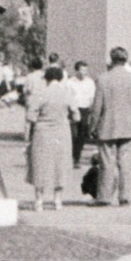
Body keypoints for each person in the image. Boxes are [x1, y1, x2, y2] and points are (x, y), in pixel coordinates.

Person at [90, 46, 131, 206]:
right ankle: (125, 196)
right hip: (130, 126)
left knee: (107, 163)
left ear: (111, 60)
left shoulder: (103, 79)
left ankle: (104, 197)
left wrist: (93, 126)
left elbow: (97, 107)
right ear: (126, 60)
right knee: (126, 163)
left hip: (108, 126)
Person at [26, 65, 75, 212]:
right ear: (60, 78)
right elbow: (76, 114)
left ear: (46, 78)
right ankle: (57, 200)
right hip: (62, 131)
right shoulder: (67, 93)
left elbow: (30, 116)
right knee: (60, 163)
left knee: (40, 163)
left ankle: (39, 201)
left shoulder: (41, 93)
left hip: (42, 132)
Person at [68, 60, 97, 165]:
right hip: (73, 109)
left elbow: (92, 97)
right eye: (82, 70)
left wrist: (92, 110)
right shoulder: (70, 82)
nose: (84, 72)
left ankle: (77, 157)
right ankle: (72, 155)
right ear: (77, 70)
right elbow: (68, 96)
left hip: (85, 109)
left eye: (86, 70)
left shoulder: (90, 82)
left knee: (82, 134)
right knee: (73, 134)